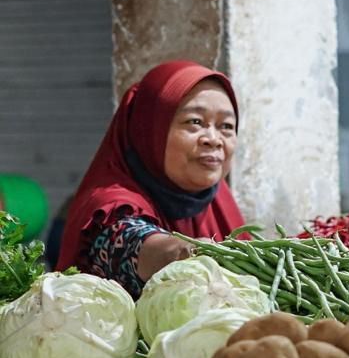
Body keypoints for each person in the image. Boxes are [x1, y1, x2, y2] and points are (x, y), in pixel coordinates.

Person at [56, 60, 246, 297]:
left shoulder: (218, 201)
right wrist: (187, 252)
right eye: (194, 122)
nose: (213, 139)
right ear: (148, 130)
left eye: (226, 126)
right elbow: (130, 242)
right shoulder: (109, 208)